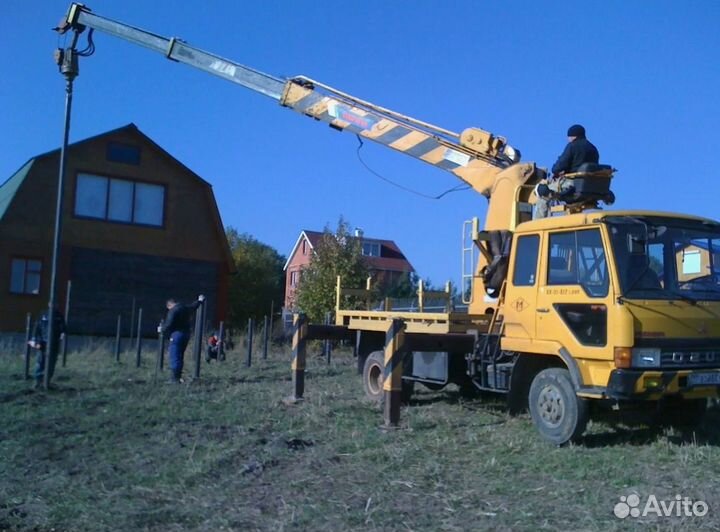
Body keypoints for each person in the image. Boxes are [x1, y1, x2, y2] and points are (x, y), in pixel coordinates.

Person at [534, 124, 600, 219]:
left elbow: (557, 168)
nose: (568, 139)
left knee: (541, 193)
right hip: (589, 186)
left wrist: (558, 170)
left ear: (573, 136)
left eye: (568, 137)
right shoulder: (593, 149)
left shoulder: (572, 146)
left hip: (572, 184)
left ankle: (537, 226)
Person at [160, 295, 205, 382]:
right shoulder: (185, 308)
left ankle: (174, 378)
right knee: (180, 355)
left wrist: (161, 329)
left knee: (175, 355)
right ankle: (178, 376)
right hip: (186, 334)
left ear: (169, 305)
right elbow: (193, 306)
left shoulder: (173, 311)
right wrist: (199, 301)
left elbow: (169, 323)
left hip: (177, 334)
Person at [28, 307, 66, 389]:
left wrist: (62, 334)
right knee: (40, 361)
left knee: (51, 363)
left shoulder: (58, 315)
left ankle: (47, 381)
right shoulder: (43, 314)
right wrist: (34, 339)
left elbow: (63, 328)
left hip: (54, 343)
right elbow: (37, 326)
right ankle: (38, 381)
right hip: (43, 342)